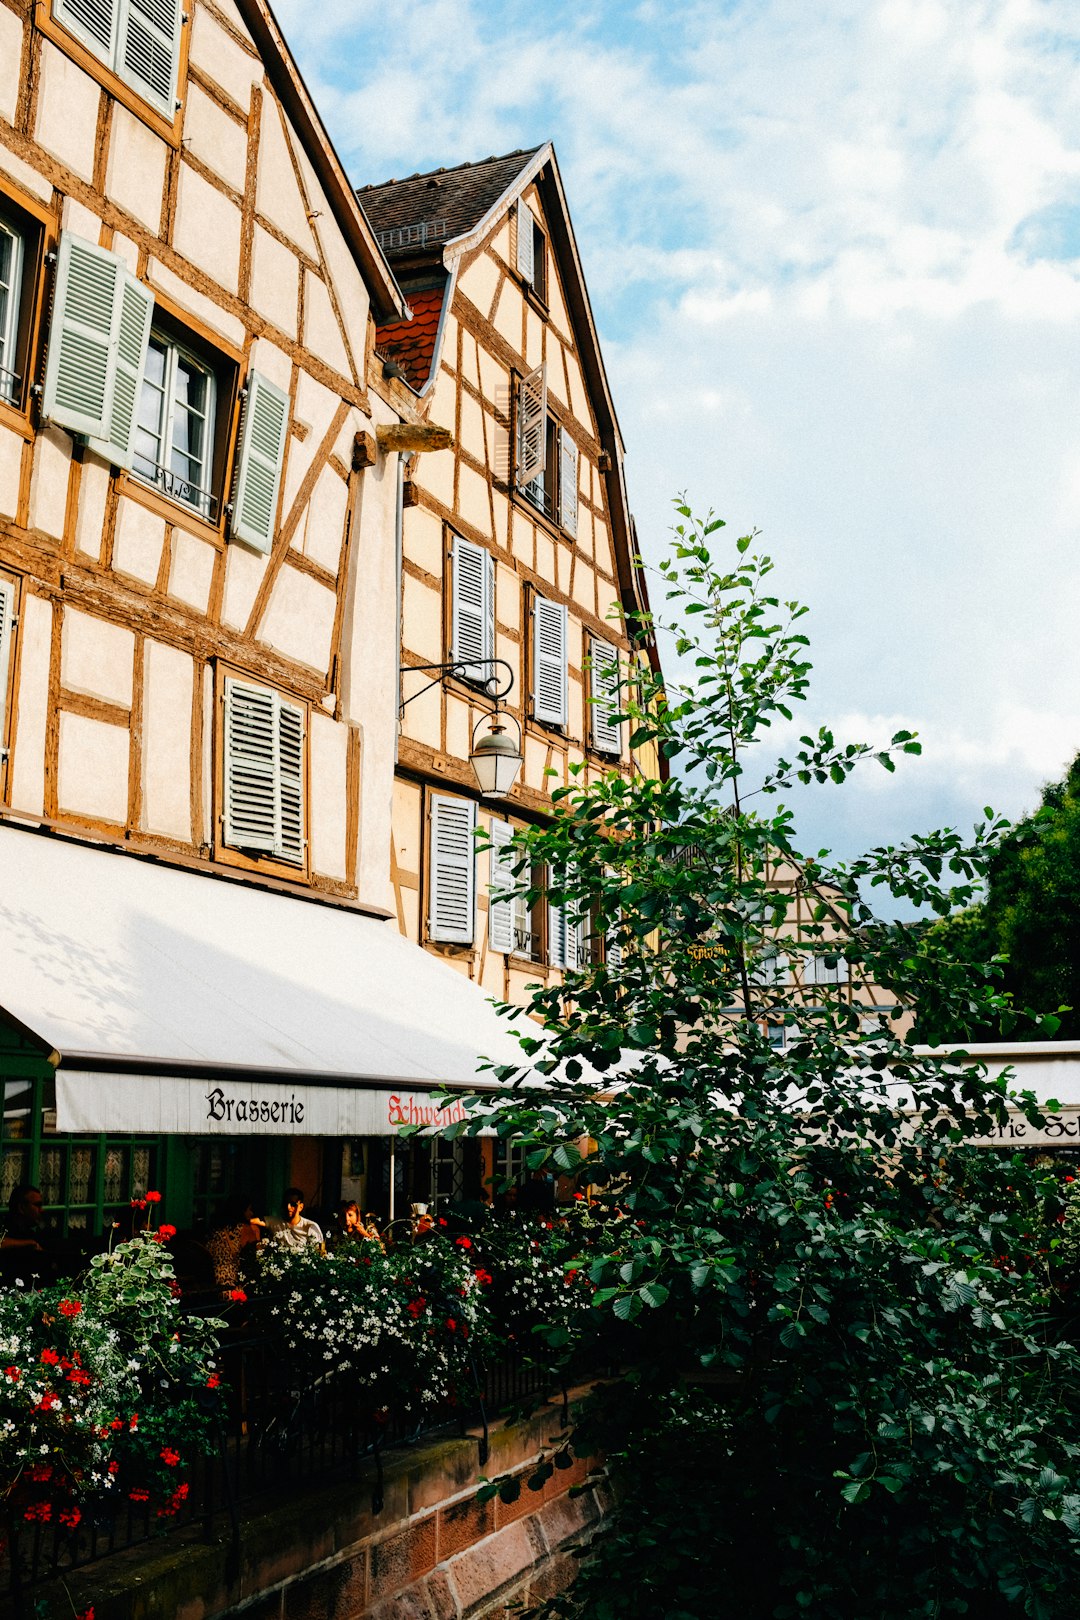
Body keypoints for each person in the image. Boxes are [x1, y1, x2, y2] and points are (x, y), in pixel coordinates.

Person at [206, 1193, 264, 1294]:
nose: (251, 1213)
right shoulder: (245, 1229)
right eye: (249, 1209)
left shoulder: (218, 1227)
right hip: (229, 1283)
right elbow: (258, 1255)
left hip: (211, 1279)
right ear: (241, 1211)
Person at [1, 1184, 45, 1251]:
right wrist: (28, 1243)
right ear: (21, 1208)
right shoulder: (4, 1227)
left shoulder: (30, 1234)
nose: (41, 1210)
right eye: (37, 1205)